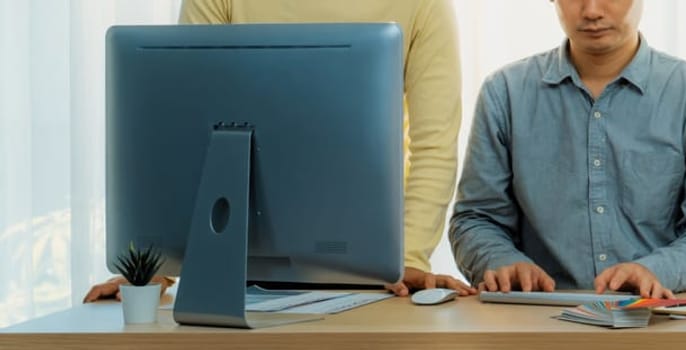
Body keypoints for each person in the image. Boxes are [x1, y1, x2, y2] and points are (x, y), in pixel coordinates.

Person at [85, 0, 466, 302]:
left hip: (370, 278)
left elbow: (434, 145)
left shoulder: (425, 5)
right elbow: (186, 127)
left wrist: (407, 259)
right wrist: (160, 264)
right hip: (233, 271)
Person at [449, 0, 686, 298]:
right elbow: (476, 219)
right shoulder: (505, 94)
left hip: (657, 315)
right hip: (536, 315)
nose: (591, 11)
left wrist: (657, 270)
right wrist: (502, 262)